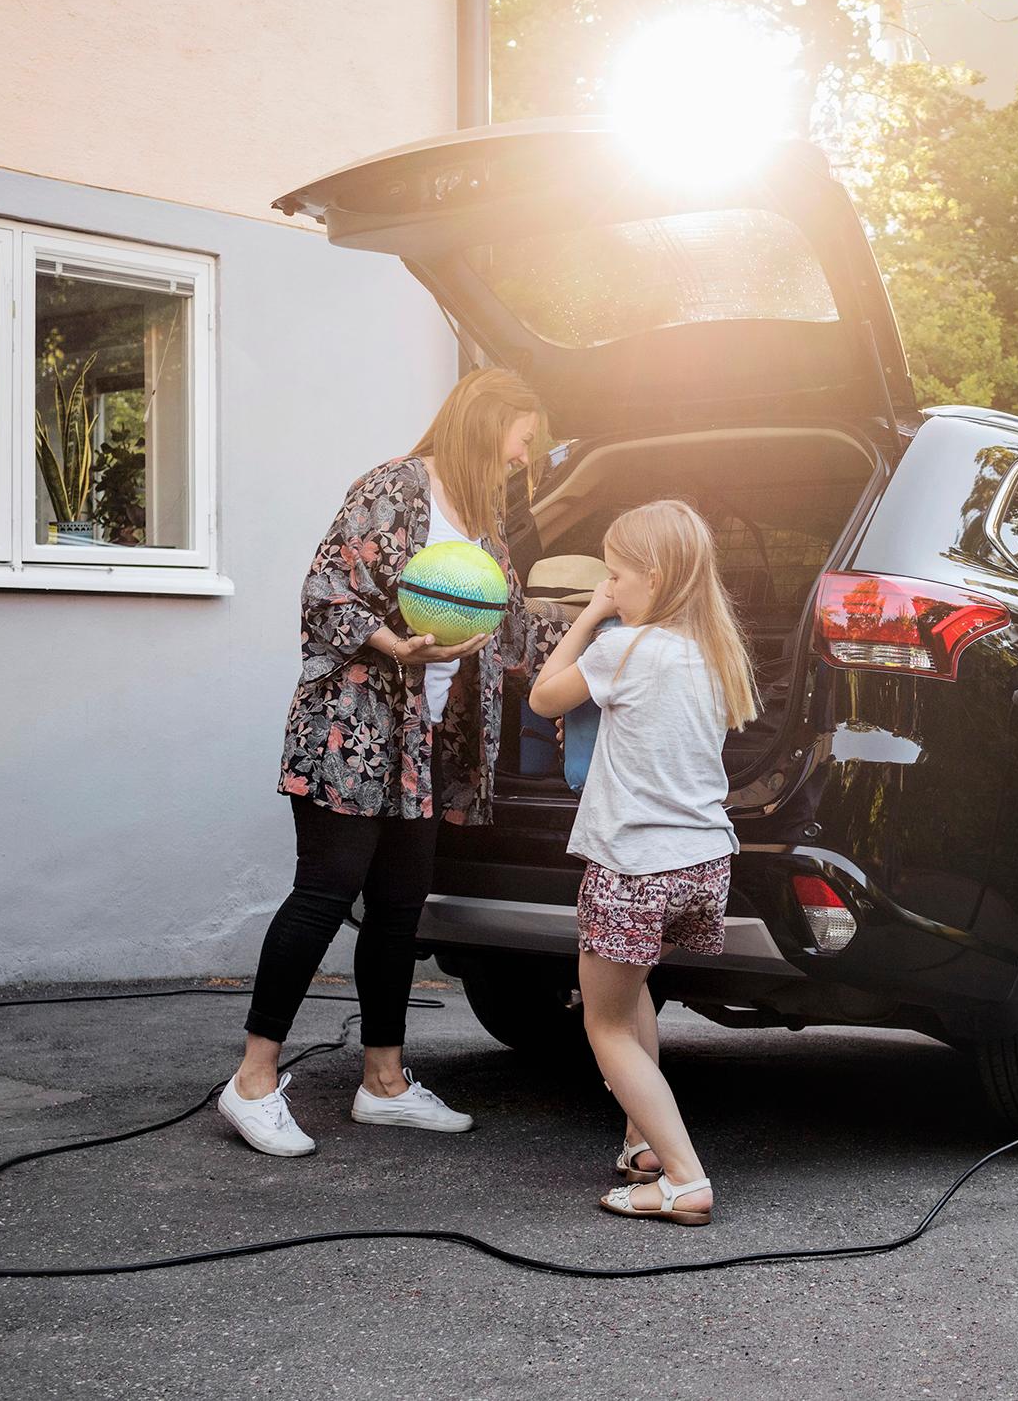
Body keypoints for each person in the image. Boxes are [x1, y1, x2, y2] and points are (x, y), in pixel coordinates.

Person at [219, 368, 563, 1158]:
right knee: (322, 894)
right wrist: (392, 643)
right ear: (487, 425)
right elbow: (327, 591)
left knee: (400, 910)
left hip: (419, 747)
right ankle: (252, 1082)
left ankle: (383, 1083)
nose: (523, 459)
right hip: (351, 733)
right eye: (520, 441)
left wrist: (615, 627)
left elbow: (509, 633)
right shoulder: (395, 487)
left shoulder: (481, 527)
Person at [527, 500, 757, 1225]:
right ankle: (644, 1146)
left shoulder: (625, 648)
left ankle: (685, 1179)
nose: (611, 587)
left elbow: (542, 696)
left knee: (605, 1025)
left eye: (617, 576)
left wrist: (590, 615)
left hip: (634, 865)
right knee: (633, 1000)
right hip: (702, 861)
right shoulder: (716, 654)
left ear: (652, 579)